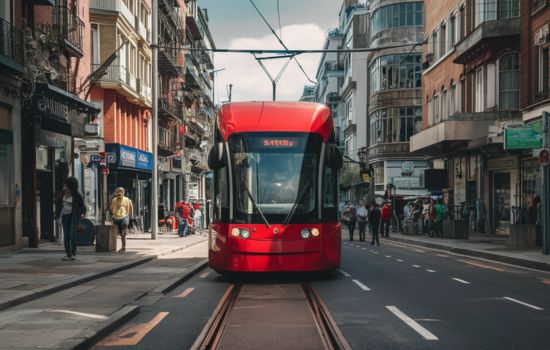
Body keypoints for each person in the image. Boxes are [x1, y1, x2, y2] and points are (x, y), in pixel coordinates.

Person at [55, 177, 86, 261]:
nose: (65, 188)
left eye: (67, 187)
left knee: (72, 235)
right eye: (64, 186)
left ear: (72, 187)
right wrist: (57, 215)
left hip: (73, 216)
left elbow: (82, 207)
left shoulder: (77, 196)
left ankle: (73, 253)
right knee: (66, 236)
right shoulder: (62, 195)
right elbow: (58, 205)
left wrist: (81, 214)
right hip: (64, 216)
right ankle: (67, 254)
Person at [110, 187, 134, 252]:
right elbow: (111, 209)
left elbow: (130, 210)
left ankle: (123, 247)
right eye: (117, 192)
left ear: (123, 193)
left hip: (124, 217)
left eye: (120, 192)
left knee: (123, 233)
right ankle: (113, 247)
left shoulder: (127, 200)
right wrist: (113, 215)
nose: (119, 193)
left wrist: (130, 218)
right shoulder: (114, 200)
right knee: (114, 233)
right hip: (115, 218)